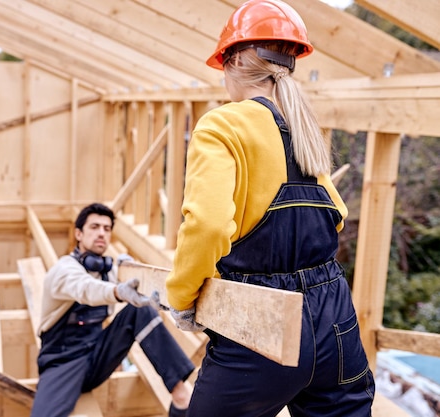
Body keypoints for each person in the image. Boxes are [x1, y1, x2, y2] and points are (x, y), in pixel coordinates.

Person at [164, 1, 375, 416]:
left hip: (259, 322)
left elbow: (206, 225)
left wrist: (183, 298)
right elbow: (337, 216)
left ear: (236, 59)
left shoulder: (221, 125)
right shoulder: (304, 130)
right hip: (336, 322)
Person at [30, 202, 195, 417]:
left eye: (107, 229)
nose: (101, 233)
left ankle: (181, 397)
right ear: (78, 234)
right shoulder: (64, 270)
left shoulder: (108, 270)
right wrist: (118, 291)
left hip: (96, 356)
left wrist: (132, 270)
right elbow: (86, 288)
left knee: (139, 311)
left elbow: (135, 285)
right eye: (95, 227)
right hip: (63, 362)